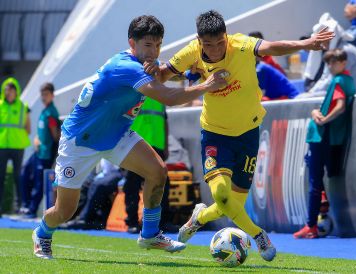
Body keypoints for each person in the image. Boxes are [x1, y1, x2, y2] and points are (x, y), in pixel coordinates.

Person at [32, 15, 228, 259]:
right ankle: (42, 233)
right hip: (80, 141)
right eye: (148, 45)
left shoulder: (143, 64)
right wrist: (206, 85)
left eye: (157, 45)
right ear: (132, 44)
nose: (153, 52)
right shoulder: (125, 67)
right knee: (64, 211)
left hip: (116, 134)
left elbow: (163, 72)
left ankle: (149, 234)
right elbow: (167, 97)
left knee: (157, 172)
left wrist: (189, 74)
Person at [153, 10, 334, 262]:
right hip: (215, 135)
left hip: (248, 133)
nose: (215, 50)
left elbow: (273, 47)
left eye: (220, 43)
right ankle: (259, 236)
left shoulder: (241, 45)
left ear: (226, 36)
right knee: (223, 196)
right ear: (198, 40)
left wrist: (305, 43)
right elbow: (163, 74)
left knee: (232, 203)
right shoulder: (191, 52)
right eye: (208, 44)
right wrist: (157, 67)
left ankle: (199, 217)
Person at [294, 49, 355, 239]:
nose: (330, 66)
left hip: (321, 137)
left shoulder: (339, 81)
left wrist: (323, 119)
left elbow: (340, 105)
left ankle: (311, 225)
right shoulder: (347, 80)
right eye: (328, 62)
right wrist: (316, 112)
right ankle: (319, 210)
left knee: (314, 180)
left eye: (334, 62)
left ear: (343, 62)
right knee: (315, 174)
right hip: (329, 138)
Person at [124, 97, 177, 234]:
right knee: (132, 184)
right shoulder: (135, 92)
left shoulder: (160, 95)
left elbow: (164, 121)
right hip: (135, 145)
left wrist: (165, 145)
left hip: (156, 145)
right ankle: (132, 221)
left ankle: (163, 221)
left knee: (162, 184)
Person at [22, 83, 60, 218]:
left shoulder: (51, 113)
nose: (43, 97)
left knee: (39, 183)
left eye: (46, 94)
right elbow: (41, 131)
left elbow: (55, 135)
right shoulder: (44, 111)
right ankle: (25, 205)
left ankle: (32, 210)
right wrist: (37, 139)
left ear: (52, 95)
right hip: (38, 152)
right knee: (24, 173)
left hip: (45, 154)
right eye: (42, 94)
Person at [303, 13, 356, 95]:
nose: (322, 42)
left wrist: (309, 94)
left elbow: (329, 82)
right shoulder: (337, 50)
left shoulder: (344, 52)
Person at [0, 78, 31, 215]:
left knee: (18, 176)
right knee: (1, 176)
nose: (9, 92)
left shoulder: (23, 106)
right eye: (7, 89)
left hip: (18, 146)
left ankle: (20, 207)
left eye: (12, 89)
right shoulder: (0, 105)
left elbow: (28, 128)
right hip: (2, 145)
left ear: (16, 91)